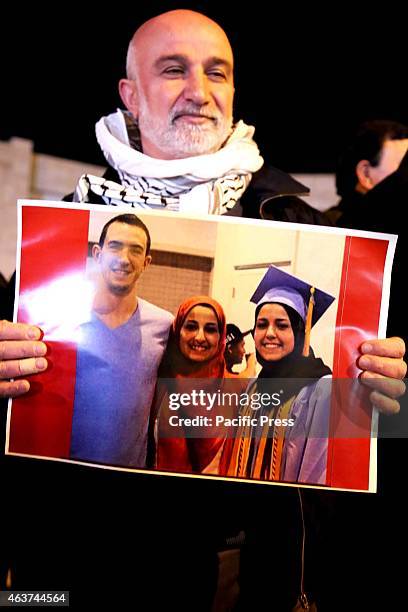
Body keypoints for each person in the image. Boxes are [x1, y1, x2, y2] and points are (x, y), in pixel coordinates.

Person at [0, 9, 406, 609]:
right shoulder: (55, 243)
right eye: (173, 70)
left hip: (236, 572)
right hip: (79, 566)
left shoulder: (299, 223)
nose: (200, 91)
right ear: (130, 96)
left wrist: (386, 388)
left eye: (218, 72)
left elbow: (369, 437)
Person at [69, 213, 173, 468]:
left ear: (146, 262)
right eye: (115, 246)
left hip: (131, 470)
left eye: (136, 251)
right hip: (65, 463)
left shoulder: (164, 325)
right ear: (98, 253)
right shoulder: (66, 316)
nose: (124, 259)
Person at [222, 266, 334, 485]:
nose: (269, 333)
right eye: (262, 325)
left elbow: (316, 473)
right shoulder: (254, 386)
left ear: (300, 332)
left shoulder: (320, 390)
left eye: (282, 325)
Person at [154, 296, 228, 474]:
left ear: (221, 337)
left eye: (210, 329)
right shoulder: (157, 385)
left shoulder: (237, 391)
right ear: (178, 329)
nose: (200, 337)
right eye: (191, 327)